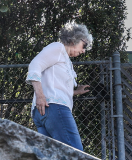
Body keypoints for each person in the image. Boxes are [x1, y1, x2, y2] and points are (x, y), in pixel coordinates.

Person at [26, 22, 93, 151]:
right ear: (75, 39)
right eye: (84, 45)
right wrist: (40, 96)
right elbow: (34, 65)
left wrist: (75, 92)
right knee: (75, 153)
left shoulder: (65, 59)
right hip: (55, 109)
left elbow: (54, 86)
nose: (84, 50)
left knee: (51, 158)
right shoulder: (58, 48)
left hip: (43, 112)